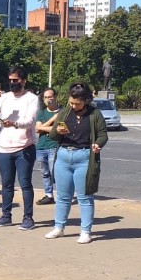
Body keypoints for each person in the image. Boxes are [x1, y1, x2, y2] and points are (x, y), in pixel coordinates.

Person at [44, 83, 109, 244]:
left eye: (77, 103)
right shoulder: (65, 112)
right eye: (71, 102)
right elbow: (52, 135)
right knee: (63, 196)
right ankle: (59, 227)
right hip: (64, 156)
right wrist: (57, 132)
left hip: (84, 157)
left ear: (86, 100)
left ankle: (86, 231)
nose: (73, 106)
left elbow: (103, 134)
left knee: (85, 196)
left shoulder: (95, 114)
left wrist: (98, 144)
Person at [0, 66, 39, 230]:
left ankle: (28, 218)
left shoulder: (31, 98)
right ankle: (6, 215)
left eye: (15, 80)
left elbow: (30, 120)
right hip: (4, 148)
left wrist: (14, 123)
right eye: (10, 80)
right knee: (6, 184)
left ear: (23, 80)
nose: (12, 83)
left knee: (25, 183)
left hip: (24, 147)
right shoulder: (5, 97)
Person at [35, 88, 61, 205]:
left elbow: (59, 129)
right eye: (45, 98)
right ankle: (49, 195)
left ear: (55, 97)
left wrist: (44, 128)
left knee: (54, 172)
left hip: (54, 146)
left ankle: (62, 195)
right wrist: (52, 119)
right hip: (41, 147)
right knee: (45, 173)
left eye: (50, 97)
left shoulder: (61, 112)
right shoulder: (41, 113)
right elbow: (37, 129)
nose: (47, 100)